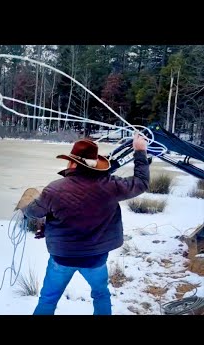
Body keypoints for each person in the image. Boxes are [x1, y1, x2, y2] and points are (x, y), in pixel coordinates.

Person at [21, 132, 149, 315]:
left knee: (48, 299)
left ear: (73, 163)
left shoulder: (54, 189)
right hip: (95, 259)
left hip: (62, 258)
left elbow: (33, 212)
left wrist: (26, 204)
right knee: (101, 295)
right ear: (94, 165)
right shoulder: (111, 185)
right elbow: (141, 183)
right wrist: (140, 151)